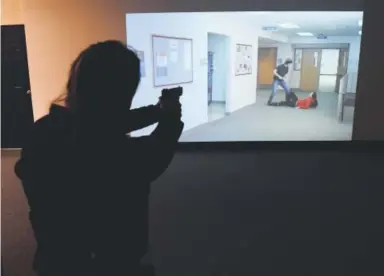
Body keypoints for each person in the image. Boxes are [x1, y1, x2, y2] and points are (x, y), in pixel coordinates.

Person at [14, 40, 184, 276]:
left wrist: (157, 112)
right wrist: (170, 121)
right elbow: (152, 155)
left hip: (57, 260)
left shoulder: (45, 130)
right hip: (113, 262)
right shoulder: (113, 149)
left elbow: (101, 123)